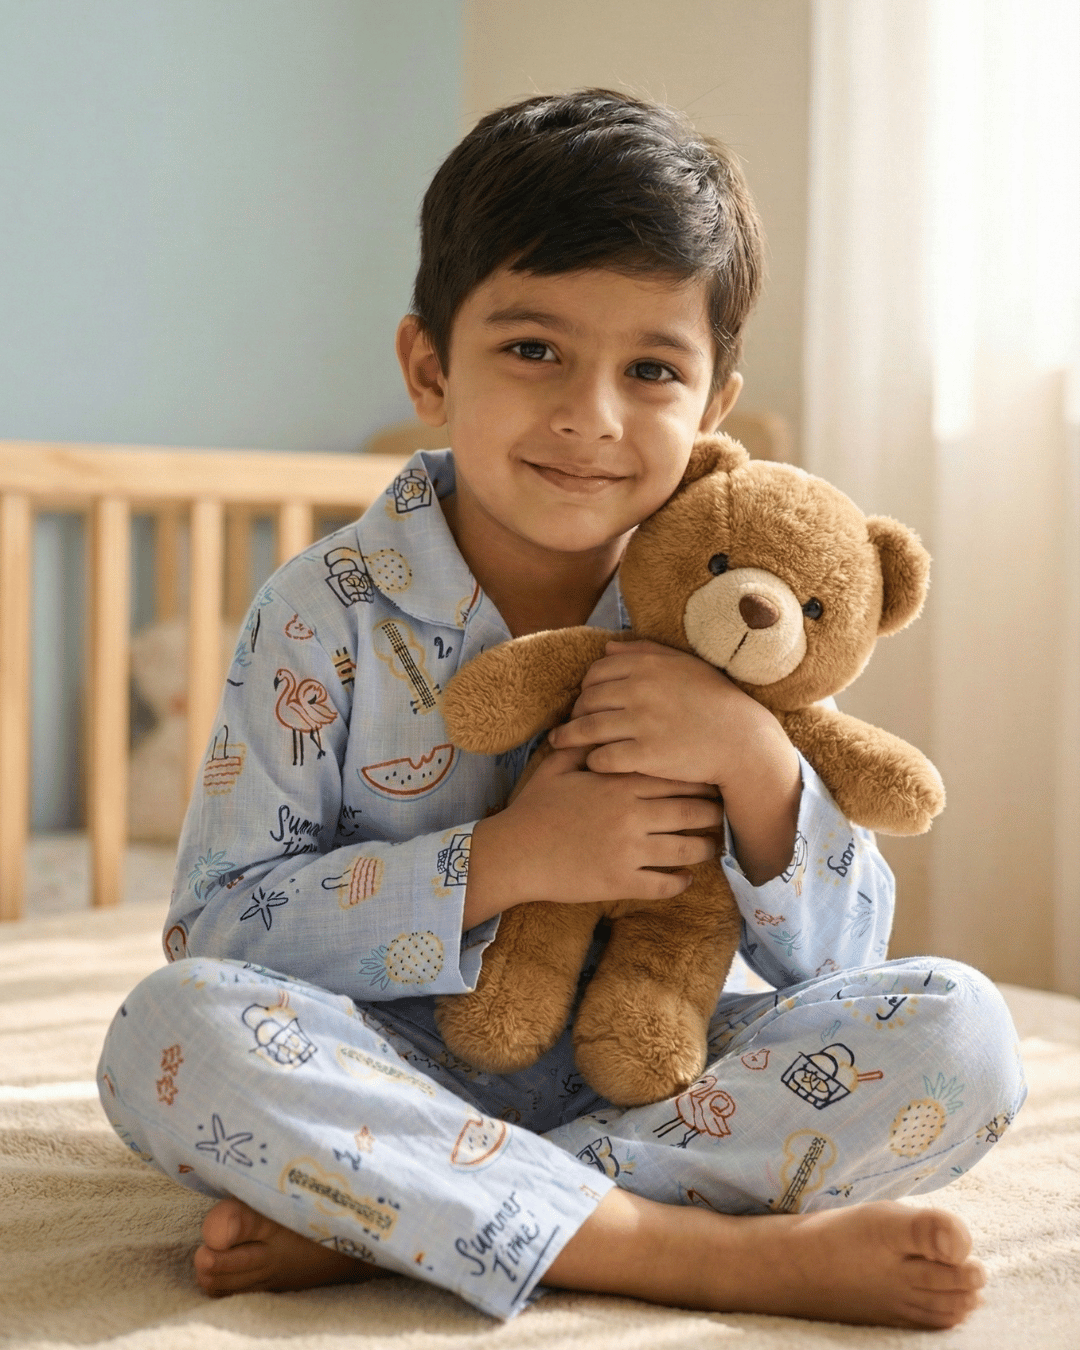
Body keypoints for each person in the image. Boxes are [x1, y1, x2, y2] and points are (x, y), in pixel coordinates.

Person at [98, 89, 1024, 1331]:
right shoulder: (323, 609)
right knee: (171, 1036)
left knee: (962, 1032)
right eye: (534, 350)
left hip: (656, 1079)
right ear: (430, 366)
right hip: (385, 1065)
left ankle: (406, 1217)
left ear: (711, 407)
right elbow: (219, 935)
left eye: (651, 369)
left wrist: (756, 766)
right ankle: (690, 1255)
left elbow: (844, 962)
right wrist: (505, 863)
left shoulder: (736, 600)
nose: (592, 413)